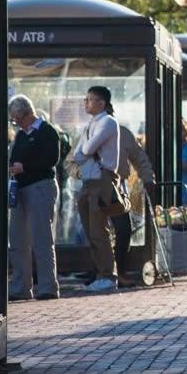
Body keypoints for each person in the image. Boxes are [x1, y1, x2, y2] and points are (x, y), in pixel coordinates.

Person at [8, 94, 62, 301]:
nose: (16, 123)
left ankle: (48, 286)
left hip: (40, 186)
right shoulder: (21, 135)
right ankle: (21, 286)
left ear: (26, 113)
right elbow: (14, 157)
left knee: (42, 238)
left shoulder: (47, 131)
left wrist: (26, 167)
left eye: (17, 118)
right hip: (20, 188)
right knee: (18, 239)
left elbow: (51, 159)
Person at [72, 86, 121, 293]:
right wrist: (85, 149)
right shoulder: (91, 124)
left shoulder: (108, 122)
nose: (86, 103)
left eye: (90, 99)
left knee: (99, 230)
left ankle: (108, 275)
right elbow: (77, 154)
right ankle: (99, 272)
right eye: (86, 99)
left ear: (101, 103)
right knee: (89, 231)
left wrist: (86, 149)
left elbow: (87, 149)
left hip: (101, 180)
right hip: (88, 181)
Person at [114, 125, 156, 286]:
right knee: (97, 233)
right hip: (93, 186)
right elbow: (73, 160)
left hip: (117, 186)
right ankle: (101, 271)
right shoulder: (88, 131)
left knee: (124, 228)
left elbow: (139, 158)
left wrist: (147, 178)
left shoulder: (123, 133)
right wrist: (82, 174)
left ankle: (120, 272)